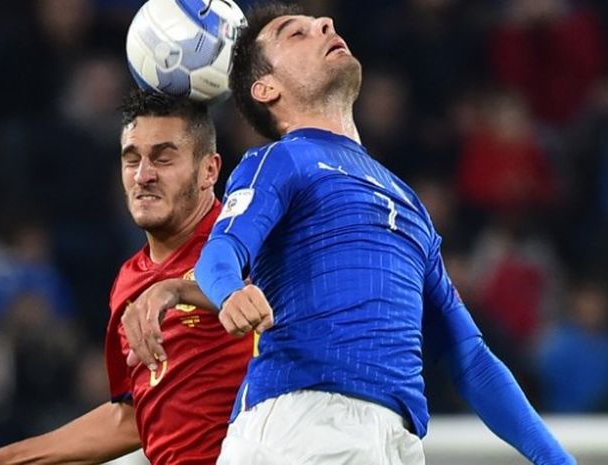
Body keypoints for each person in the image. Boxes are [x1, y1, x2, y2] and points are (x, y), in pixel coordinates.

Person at [161, 2, 575, 464]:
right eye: (294, 34)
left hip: (396, 442)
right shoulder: (282, 160)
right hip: (304, 424)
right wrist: (230, 292)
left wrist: (556, 459)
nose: (324, 24)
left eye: (319, 22)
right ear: (266, 88)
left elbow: (470, 358)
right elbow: (221, 253)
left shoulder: (407, 201)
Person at [0, 90, 254, 465]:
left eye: (164, 157)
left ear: (210, 170)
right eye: (131, 159)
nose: (144, 175)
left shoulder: (242, 238)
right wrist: (0, 460)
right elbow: (132, 418)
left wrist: (177, 290)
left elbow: (271, 296)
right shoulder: (129, 280)